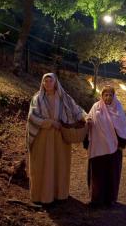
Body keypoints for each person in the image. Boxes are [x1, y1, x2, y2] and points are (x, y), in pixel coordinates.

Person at [26, 73, 87, 204]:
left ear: (55, 83)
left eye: (50, 81)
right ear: (42, 83)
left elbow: (76, 110)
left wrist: (86, 118)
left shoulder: (64, 97)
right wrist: (49, 122)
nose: (47, 83)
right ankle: (41, 196)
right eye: (45, 81)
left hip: (60, 136)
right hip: (42, 137)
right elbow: (31, 116)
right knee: (42, 165)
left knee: (59, 164)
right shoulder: (37, 98)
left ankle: (60, 194)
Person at [85, 85, 126, 208]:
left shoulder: (118, 109)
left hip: (113, 148)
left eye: (110, 95)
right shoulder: (96, 107)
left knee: (111, 175)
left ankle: (110, 199)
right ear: (102, 96)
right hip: (97, 147)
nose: (108, 97)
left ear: (114, 96)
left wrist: (121, 144)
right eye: (105, 95)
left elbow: (122, 127)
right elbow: (89, 120)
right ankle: (96, 199)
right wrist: (87, 121)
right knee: (97, 174)